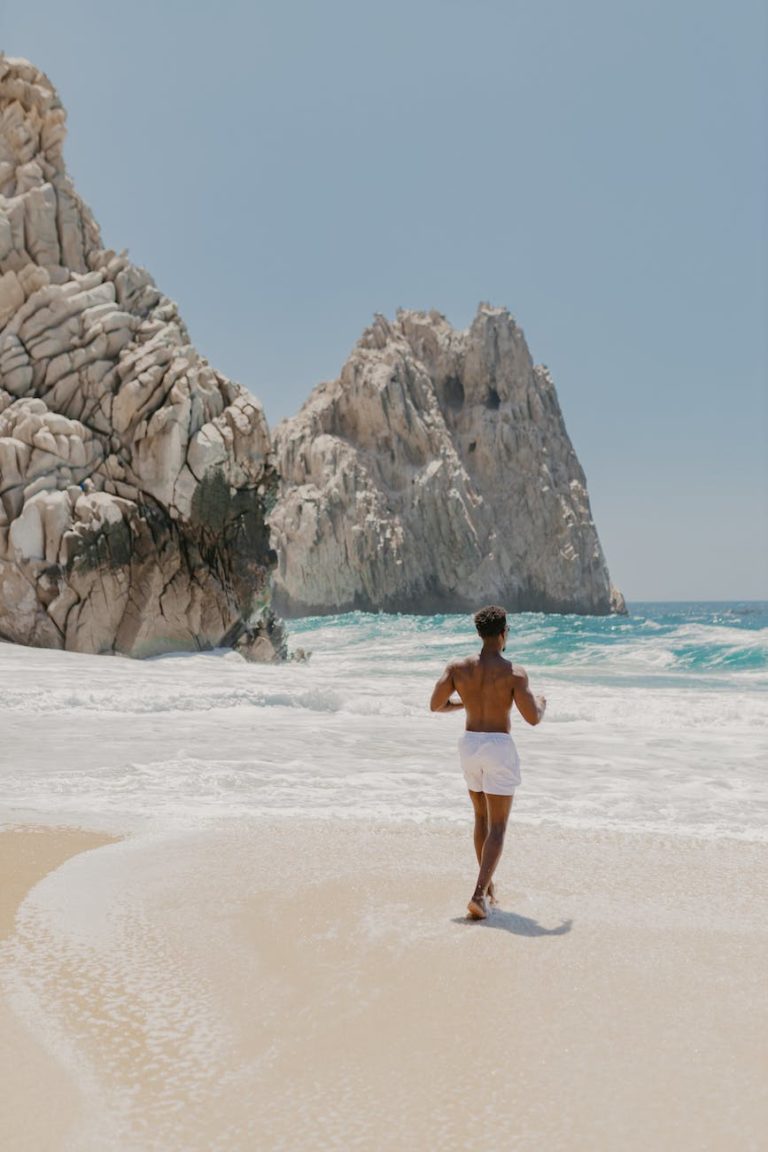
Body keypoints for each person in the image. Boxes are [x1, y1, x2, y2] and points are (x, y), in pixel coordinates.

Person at [430, 605, 546, 920]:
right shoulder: (515, 673)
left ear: (480, 634)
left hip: (469, 745)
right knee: (498, 825)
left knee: (480, 818)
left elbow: (435, 704)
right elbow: (532, 718)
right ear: (504, 632)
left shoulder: (458, 667)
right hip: (498, 746)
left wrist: (462, 703)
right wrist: (542, 703)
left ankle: (489, 888)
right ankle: (479, 894)